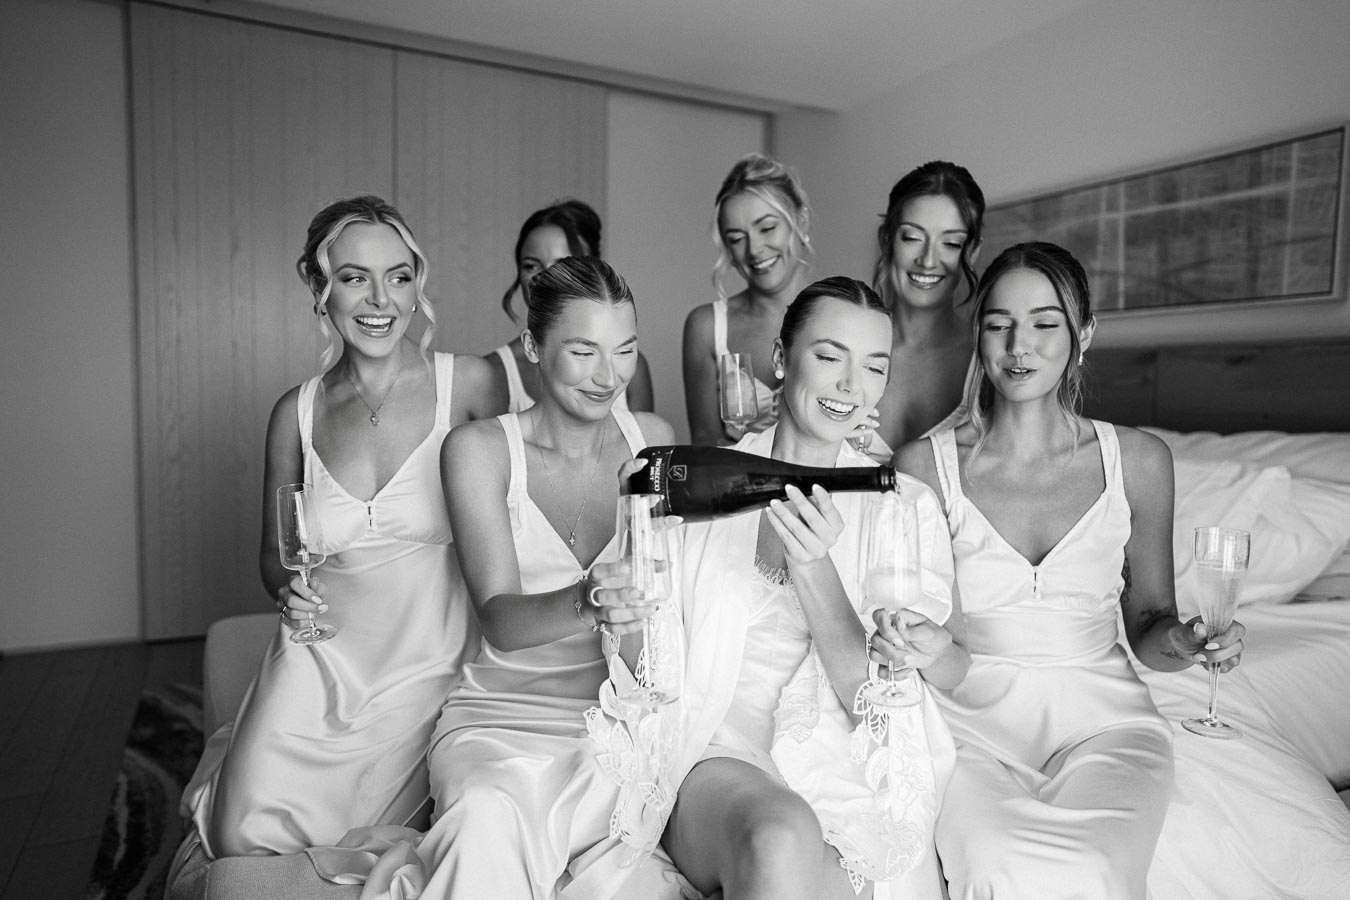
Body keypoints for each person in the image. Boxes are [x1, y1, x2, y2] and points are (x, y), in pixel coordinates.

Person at [892, 242, 1246, 900]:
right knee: (993, 863)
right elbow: (909, 618)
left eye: (1044, 323)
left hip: (1104, 725)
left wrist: (1189, 641)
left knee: (1091, 871)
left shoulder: (1138, 462)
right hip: (965, 728)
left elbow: (1148, 627)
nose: (1018, 345)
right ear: (979, 334)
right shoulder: (924, 467)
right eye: (998, 324)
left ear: (1083, 335)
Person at [182, 195, 505, 860]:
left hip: (433, 668)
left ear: (418, 284)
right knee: (242, 829)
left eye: (399, 275)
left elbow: (521, 525)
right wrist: (286, 589)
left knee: (395, 837)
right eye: (355, 276)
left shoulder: (471, 385)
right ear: (317, 284)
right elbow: (275, 557)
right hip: (318, 663)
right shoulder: (293, 414)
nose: (380, 299)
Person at [344, 256, 674, 899]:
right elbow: (499, 620)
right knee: (485, 818)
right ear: (532, 345)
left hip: (615, 718)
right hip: (500, 715)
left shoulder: (652, 442)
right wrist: (587, 599)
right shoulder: (478, 450)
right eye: (584, 352)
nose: (610, 376)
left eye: (626, 351)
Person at [645, 277, 969, 899]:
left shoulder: (902, 510)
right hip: (715, 756)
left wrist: (816, 566)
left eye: (875, 366)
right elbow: (651, 676)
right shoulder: (698, 489)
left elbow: (869, 707)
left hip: (845, 772)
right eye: (829, 357)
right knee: (781, 834)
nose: (853, 387)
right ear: (779, 359)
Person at [682, 153, 813, 446]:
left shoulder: (840, 316)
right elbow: (704, 442)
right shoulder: (706, 326)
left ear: (800, 222)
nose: (754, 250)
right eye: (737, 238)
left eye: (767, 228)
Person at [861, 161, 985, 463]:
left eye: (951, 243)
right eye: (912, 237)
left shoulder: (987, 361)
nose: (928, 261)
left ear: (972, 252)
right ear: (886, 239)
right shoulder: (845, 348)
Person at [488, 199, 654, 412]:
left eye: (562, 265)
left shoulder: (633, 369)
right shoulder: (493, 371)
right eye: (531, 265)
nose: (544, 276)